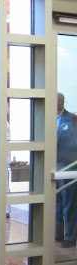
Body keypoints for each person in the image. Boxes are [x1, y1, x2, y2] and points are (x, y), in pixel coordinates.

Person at [55, 92, 77, 248]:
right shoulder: (47, 119)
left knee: (69, 204)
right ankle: (58, 234)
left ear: (61, 103)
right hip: (53, 167)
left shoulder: (72, 119)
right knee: (56, 203)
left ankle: (70, 237)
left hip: (69, 168)